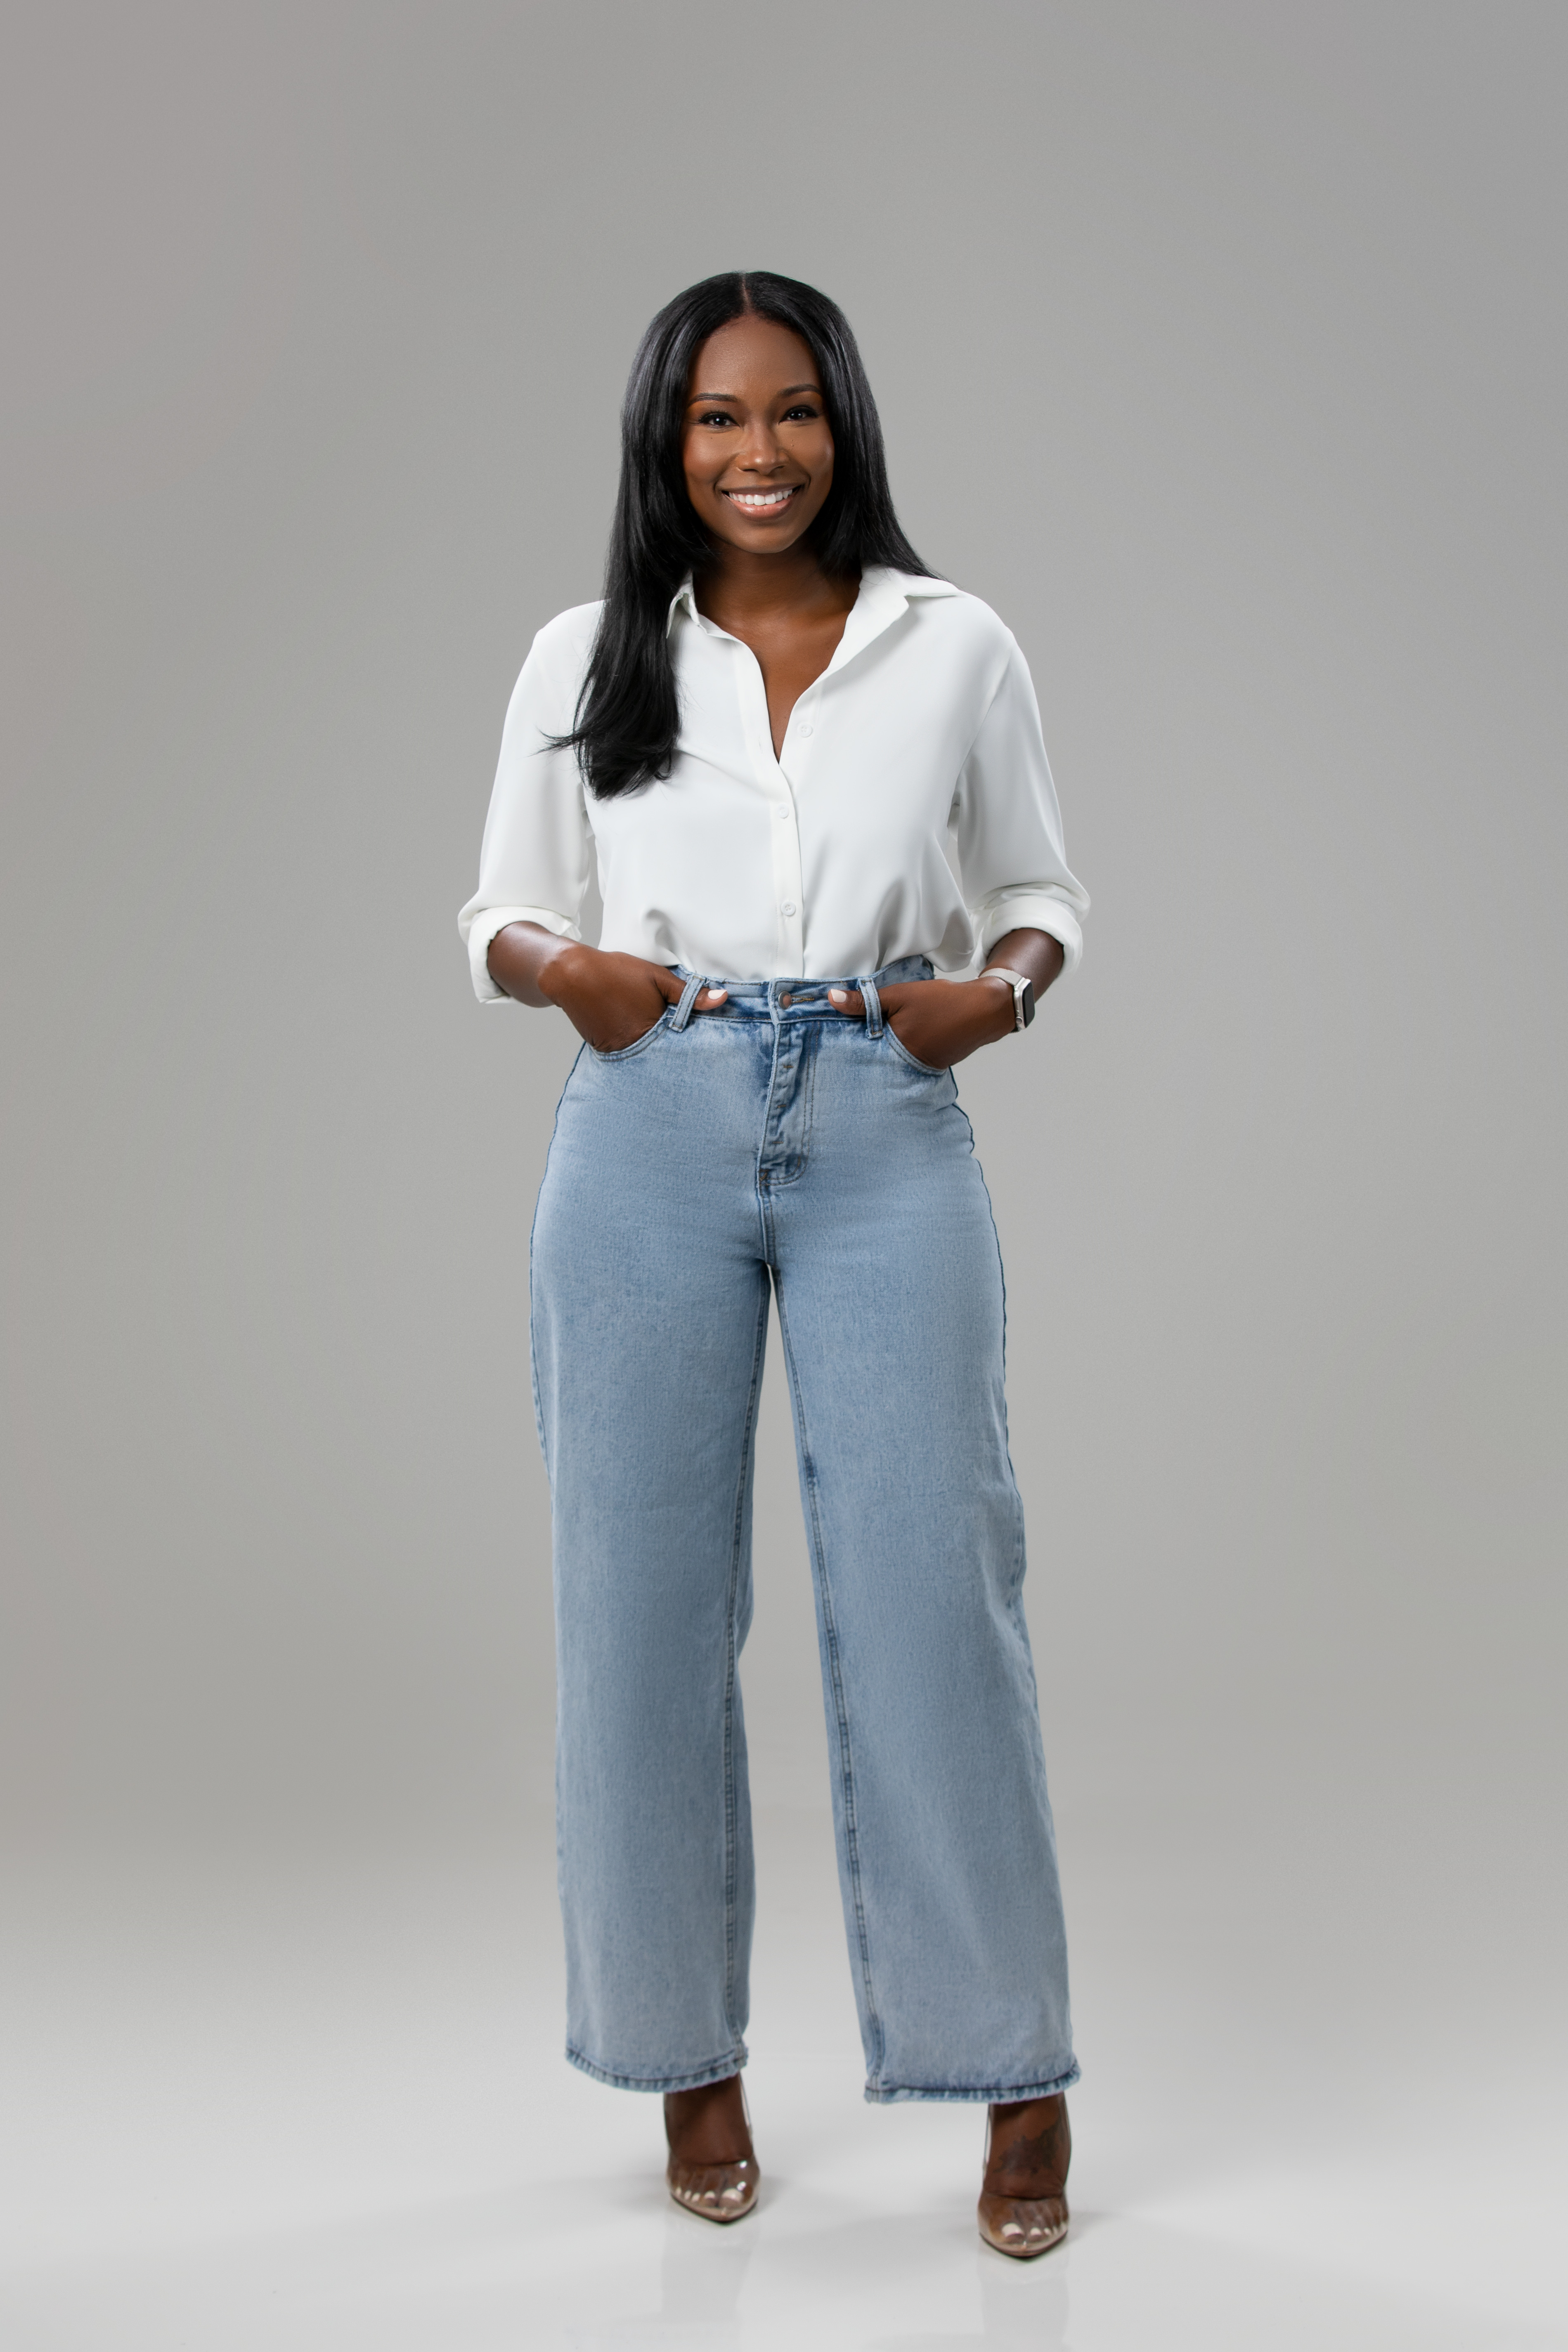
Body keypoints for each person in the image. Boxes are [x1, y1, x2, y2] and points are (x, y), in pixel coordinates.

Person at [459, 271, 1088, 2260]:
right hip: (647, 1125)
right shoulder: (587, 653)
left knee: (937, 1599)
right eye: (717, 419)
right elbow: (495, 903)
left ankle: (1012, 2072)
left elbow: (1041, 891)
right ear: (665, 443)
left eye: (793, 412)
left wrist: (988, 1002)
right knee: (634, 1615)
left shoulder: (951, 642)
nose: (758, 453)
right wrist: (580, 981)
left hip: (884, 1127)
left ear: (846, 427)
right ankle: (687, 2065)